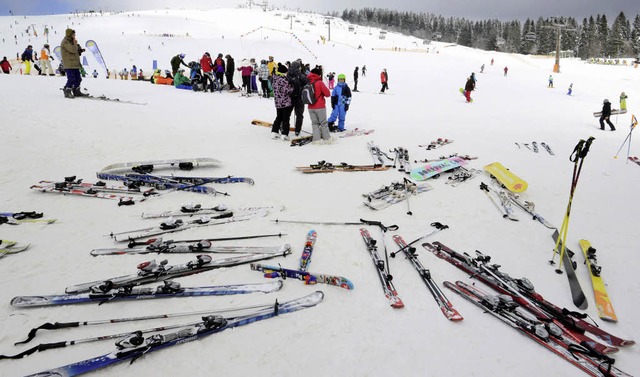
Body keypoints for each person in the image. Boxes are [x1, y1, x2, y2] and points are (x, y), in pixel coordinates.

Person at [307, 66, 332, 143]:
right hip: (320, 106)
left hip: (310, 107)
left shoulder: (308, 82)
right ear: (318, 74)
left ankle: (317, 140)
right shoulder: (319, 83)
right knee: (323, 123)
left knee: (314, 123)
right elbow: (328, 94)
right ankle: (327, 139)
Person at [271, 63, 294, 140]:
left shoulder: (275, 78)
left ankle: (274, 132)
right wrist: (292, 87)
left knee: (279, 117)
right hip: (285, 102)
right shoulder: (283, 80)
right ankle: (284, 134)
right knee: (286, 118)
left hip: (278, 102)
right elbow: (287, 90)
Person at [61, 29, 84, 98]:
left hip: (75, 63)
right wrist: (75, 44)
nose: (75, 35)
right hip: (69, 64)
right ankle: (67, 91)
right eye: (73, 34)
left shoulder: (71, 41)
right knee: (71, 78)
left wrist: (80, 50)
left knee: (78, 78)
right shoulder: (65, 42)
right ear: (69, 35)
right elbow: (73, 50)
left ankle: (76, 90)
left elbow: (75, 50)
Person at [287, 60, 308, 136]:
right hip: (299, 97)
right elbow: (307, 82)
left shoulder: (288, 74)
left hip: (289, 97)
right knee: (299, 115)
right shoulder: (301, 75)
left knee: (287, 114)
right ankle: (297, 130)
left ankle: (284, 128)